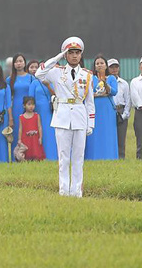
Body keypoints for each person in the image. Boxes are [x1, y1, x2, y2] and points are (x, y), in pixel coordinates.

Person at [36, 37, 95, 198]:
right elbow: (38, 73)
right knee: (63, 158)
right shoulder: (57, 72)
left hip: (79, 116)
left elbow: (90, 101)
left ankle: (76, 191)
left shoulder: (87, 75)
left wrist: (91, 123)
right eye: (70, 53)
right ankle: (64, 191)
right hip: (62, 117)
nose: (74, 56)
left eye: (77, 53)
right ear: (66, 55)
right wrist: (57, 57)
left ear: (81, 55)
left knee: (78, 157)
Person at [85, 55, 118, 160]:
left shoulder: (111, 78)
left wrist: (105, 83)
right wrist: (97, 94)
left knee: (108, 132)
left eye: (102, 63)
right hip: (94, 108)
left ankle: (110, 155)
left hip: (107, 108)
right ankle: (93, 156)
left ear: (106, 65)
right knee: (94, 133)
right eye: (97, 63)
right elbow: (87, 93)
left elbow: (113, 92)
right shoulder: (90, 78)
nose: (99, 65)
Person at [28, 68, 56, 160]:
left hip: (52, 109)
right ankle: (40, 155)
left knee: (52, 132)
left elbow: (56, 94)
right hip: (39, 110)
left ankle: (53, 155)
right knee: (41, 132)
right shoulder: (34, 83)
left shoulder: (54, 81)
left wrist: (48, 86)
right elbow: (30, 98)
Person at [6, 54, 33, 146]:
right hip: (16, 108)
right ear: (13, 64)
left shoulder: (31, 78)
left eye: (21, 61)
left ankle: (29, 155)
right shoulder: (10, 79)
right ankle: (16, 156)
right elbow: (7, 98)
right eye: (16, 62)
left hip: (29, 107)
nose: (19, 63)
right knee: (17, 130)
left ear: (25, 63)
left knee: (29, 130)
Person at [108, 59, 131, 159]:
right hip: (109, 111)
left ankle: (121, 158)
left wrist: (125, 115)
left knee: (121, 138)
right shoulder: (104, 82)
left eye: (116, 67)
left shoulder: (124, 83)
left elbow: (128, 101)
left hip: (120, 110)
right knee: (109, 137)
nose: (114, 69)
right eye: (111, 67)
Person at [18, 96, 45, 161]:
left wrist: (40, 137)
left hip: (35, 137)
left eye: (33, 104)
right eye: (29, 104)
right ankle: (27, 159)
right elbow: (20, 129)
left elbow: (39, 127)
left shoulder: (36, 115)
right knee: (27, 150)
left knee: (36, 149)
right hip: (25, 138)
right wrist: (19, 139)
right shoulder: (21, 117)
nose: (31, 106)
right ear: (24, 106)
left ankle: (36, 159)